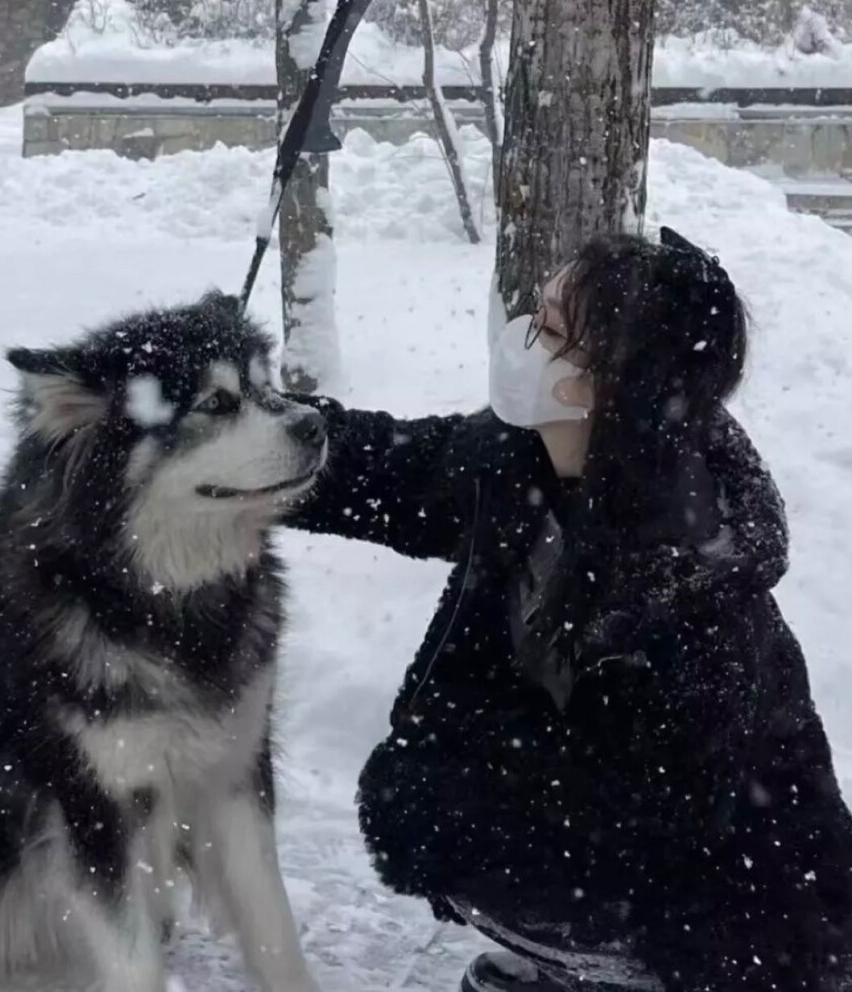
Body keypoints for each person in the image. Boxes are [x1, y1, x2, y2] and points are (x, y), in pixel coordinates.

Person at [286, 230, 852, 991]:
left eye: (550, 330)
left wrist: (449, 763)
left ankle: (623, 969)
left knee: (433, 807)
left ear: (613, 387)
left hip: (750, 918)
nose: (523, 338)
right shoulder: (525, 462)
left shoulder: (687, 590)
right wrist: (252, 437)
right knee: (431, 794)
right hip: (644, 847)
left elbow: (649, 819)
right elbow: (392, 468)